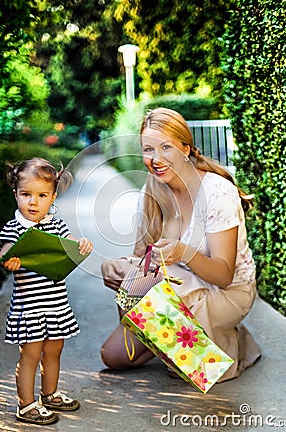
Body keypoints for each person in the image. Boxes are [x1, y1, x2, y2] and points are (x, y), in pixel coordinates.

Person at [100, 107, 261, 382]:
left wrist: (183, 252)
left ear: (186, 148)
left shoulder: (215, 191)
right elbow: (142, 259)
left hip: (228, 292)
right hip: (180, 287)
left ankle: (230, 342)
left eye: (166, 147)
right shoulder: (150, 191)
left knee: (185, 368)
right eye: (148, 149)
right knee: (113, 356)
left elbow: (224, 275)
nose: (156, 159)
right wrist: (116, 266)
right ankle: (204, 338)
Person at [0, 157, 93, 425]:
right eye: (26, 194)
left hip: (56, 306)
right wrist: (9, 259)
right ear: (15, 194)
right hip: (30, 309)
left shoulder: (56, 224)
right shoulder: (13, 228)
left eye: (42, 195)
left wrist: (82, 244)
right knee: (30, 355)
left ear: (53, 197)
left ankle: (49, 394)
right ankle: (26, 405)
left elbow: (70, 243)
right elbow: (4, 251)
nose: (33, 202)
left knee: (54, 351)